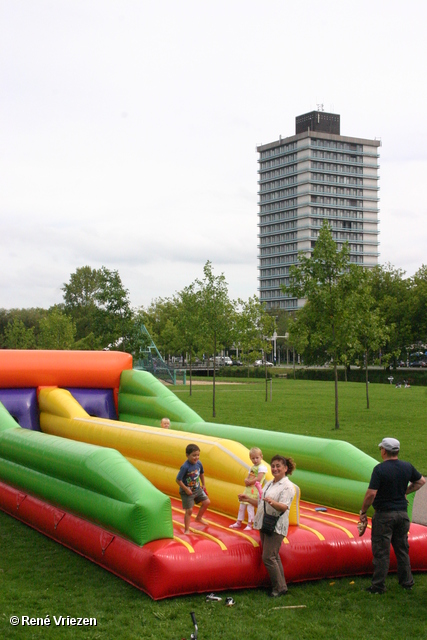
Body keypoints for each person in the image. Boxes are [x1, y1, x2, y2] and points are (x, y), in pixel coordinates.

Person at [360, 437, 426, 594]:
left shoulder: (380, 469)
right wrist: (404, 492)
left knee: (381, 552)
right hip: (402, 515)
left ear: (383, 451)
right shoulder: (407, 467)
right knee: (402, 549)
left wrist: (363, 510)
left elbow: (371, 494)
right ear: (397, 451)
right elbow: (421, 481)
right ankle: (407, 582)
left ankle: (378, 586)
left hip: (384, 516)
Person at [240, 454, 296, 597]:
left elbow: (284, 507)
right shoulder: (270, 483)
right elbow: (261, 503)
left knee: (268, 557)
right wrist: (248, 499)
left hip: (276, 525)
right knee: (273, 556)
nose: (275, 468)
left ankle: (278, 588)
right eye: (273, 466)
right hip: (265, 522)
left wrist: (273, 502)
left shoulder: (288, 487)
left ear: (285, 468)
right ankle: (281, 586)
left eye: (278, 466)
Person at [229, 447, 267, 530]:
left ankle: (250, 523)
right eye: (253, 458)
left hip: (255, 489)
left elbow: (259, 478)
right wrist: (246, 480)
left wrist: (250, 482)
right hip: (248, 489)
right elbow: (249, 477)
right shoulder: (252, 467)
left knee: (250, 506)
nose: (255, 460)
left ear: (261, 457)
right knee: (242, 505)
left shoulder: (262, 467)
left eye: (257, 458)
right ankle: (239, 521)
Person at [176, 444, 210, 534]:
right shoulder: (185, 466)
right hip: (187, 491)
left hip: (197, 489)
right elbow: (178, 480)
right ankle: (187, 529)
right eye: (194, 455)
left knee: (207, 502)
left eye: (198, 455)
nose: (196, 457)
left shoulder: (199, 463)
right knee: (189, 510)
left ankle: (198, 518)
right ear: (187, 455)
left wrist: (204, 484)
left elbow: (201, 473)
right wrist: (186, 489)